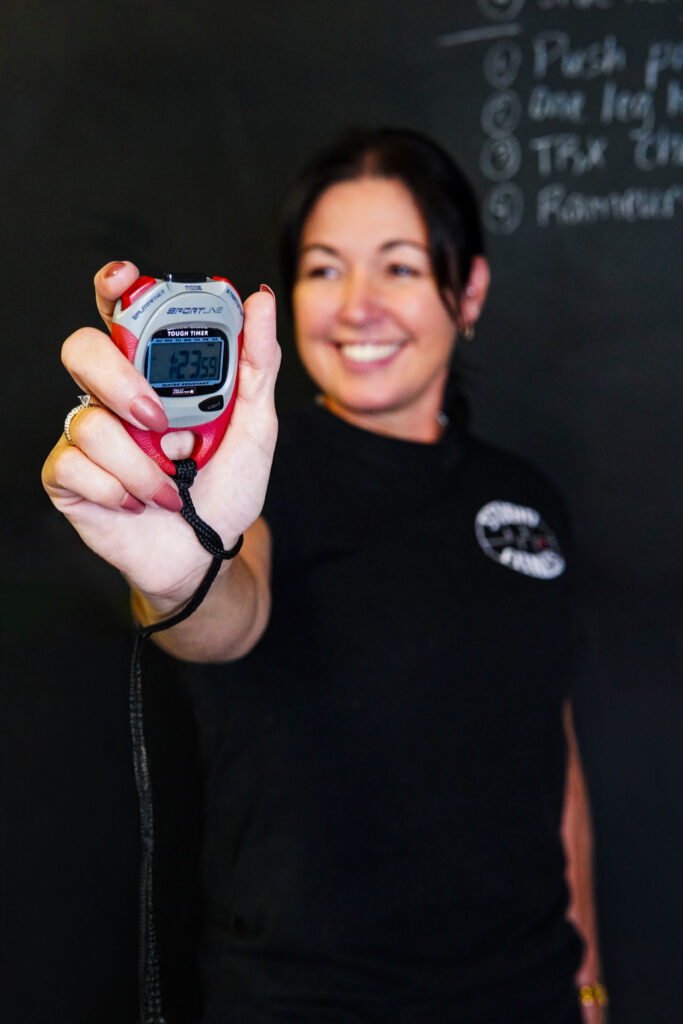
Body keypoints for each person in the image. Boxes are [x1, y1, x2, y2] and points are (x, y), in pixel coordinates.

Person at [42, 128, 606, 1023]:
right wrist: (184, 567)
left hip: (527, 995)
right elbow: (226, 613)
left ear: (468, 291)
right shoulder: (255, 475)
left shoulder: (524, 496)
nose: (356, 307)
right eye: (322, 269)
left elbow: (553, 756)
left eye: (399, 268)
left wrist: (587, 986)